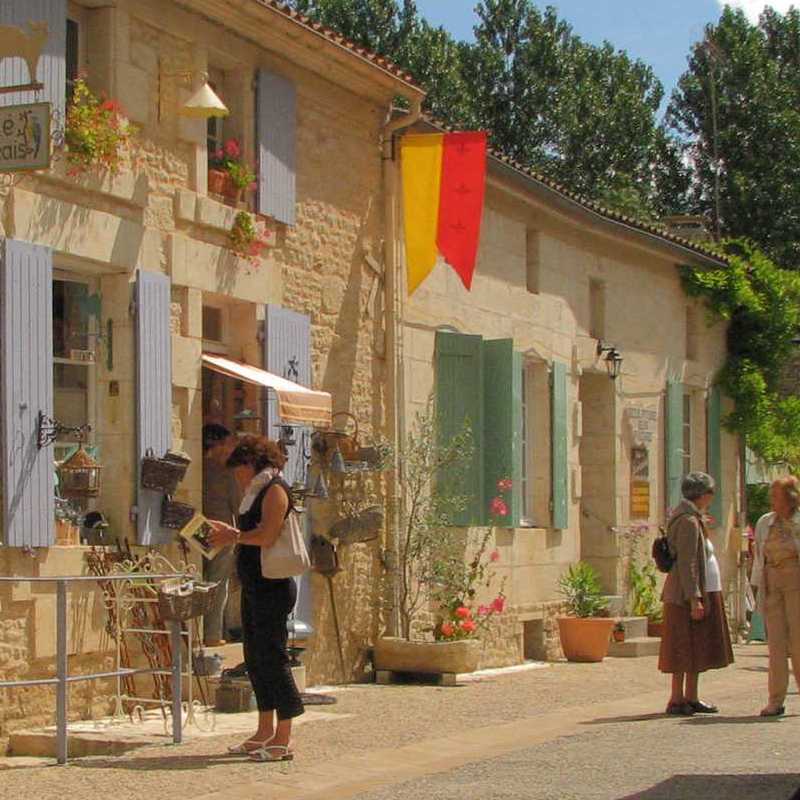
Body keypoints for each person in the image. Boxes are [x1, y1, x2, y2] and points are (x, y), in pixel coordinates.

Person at [208, 435, 304, 761]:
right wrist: (230, 533)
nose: (238, 477)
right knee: (255, 658)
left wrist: (232, 535)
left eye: (239, 471)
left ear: (251, 464)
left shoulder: (275, 490)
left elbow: (267, 535)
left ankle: (284, 737)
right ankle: (264, 731)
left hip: (273, 588)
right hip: (255, 586)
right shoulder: (254, 493)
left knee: (273, 659)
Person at [658, 471, 734, 715]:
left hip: (701, 590)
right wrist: (695, 599)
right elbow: (688, 563)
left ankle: (691, 695)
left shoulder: (693, 518)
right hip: (686, 595)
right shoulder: (688, 522)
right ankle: (677, 697)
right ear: (703, 495)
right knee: (681, 645)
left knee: (695, 645)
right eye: (710, 493)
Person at [750, 476, 800, 717]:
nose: (772, 500)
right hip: (773, 585)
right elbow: (759, 557)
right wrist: (757, 587)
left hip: (796, 585)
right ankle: (775, 699)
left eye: (776, 495)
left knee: (799, 643)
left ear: (790, 498)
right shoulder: (765, 522)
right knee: (776, 645)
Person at [202, 424, 240, 647]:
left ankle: (201, 632)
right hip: (222, 533)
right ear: (217, 445)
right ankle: (212, 633)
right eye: (227, 444)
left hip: (198, 529)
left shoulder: (199, 468)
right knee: (217, 583)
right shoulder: (225, 472)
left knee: (199, 581)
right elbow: (237, 505)